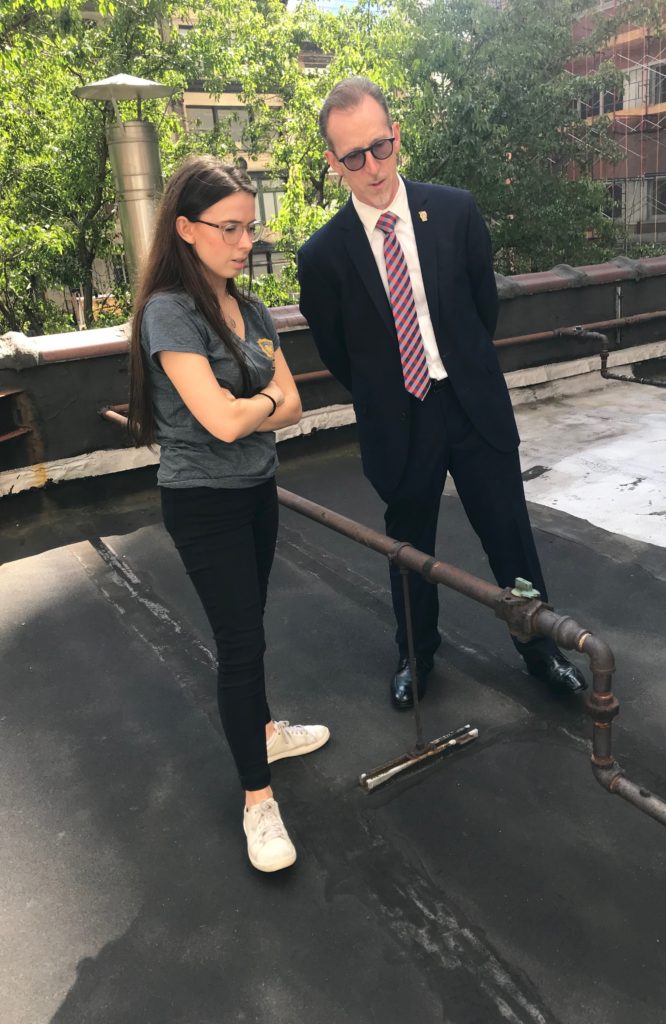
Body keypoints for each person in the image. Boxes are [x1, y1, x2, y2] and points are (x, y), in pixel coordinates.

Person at [297, 77, 587, 710]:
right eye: (353, 157)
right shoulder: (321, 256)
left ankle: (541, 648)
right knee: (408, 549)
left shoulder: (454, 212)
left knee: (509, 534)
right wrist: (396, 388)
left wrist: (451, 369)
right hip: (399, 417)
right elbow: (339, 355)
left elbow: (481, 311)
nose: (372, 167)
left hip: (471, 405)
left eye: (380, 147)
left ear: (397, 136)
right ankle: (416, 655)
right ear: (332, 162)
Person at [128, 156, 329, 873]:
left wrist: (257, 411)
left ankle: (265, 730)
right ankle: (257, 800)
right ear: (185, 229)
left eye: (250, 227)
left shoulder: (252, 310)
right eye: (230, 228)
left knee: (252, 626)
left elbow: (296, 404)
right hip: (202, 501)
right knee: (239, 643)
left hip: (254, 490)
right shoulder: (167, 313)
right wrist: (260, 408)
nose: (247, 241)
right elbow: (217, 423)